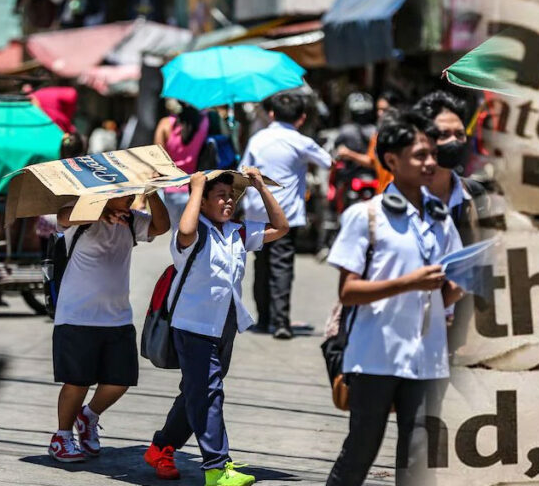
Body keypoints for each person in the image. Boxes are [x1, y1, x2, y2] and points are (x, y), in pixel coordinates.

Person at [325, 112, 465, 486]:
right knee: (360, 452)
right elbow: (348, 290)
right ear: (391, 161)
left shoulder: (441, 219)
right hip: (376, 354)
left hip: (428, 356)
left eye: (432, 154)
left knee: (419, 461)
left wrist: (466, 280)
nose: (430, 162)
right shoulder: (366, 216)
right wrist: (410, 283)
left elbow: (446, 292)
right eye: (420, 155)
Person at [145, 169, 289, 485]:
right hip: (192, 326)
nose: (227, 201)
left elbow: (281, 227)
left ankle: (161, 447)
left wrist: (261, 187)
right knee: (209, 394)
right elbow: (184, 229)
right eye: (219, 196)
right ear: (204, 201)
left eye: (230, 196)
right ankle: (216, 467)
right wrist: (195, 188)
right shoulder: (194, 234)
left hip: (223, 325)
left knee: (196, 392)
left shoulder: (237, 232)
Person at [48, 192, 170, 463]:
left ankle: (88, 416)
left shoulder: (131, 220)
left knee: (120, 380)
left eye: (133, 192)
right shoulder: (80, 215)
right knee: (77, 381)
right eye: (123, 192)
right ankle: (62, 436)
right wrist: (100, 211)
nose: (130, 197)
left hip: (117, 317)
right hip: (78, 315)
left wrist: (152, 195)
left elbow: (161, 227)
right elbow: (63, 217)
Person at [239, 92, 331, 339]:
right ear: (301, 118)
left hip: (256, 212)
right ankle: (280, 322)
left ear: (271, 114)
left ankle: (263, 319)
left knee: (262, 265)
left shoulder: (258, 139)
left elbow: (243, 170)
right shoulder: (301, 141)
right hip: (286, 216)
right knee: (281, 267)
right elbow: (327, 162)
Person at [413, 91, 490, 246]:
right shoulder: (400, 201)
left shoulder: (475, 195)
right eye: (444, 135)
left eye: (459, 134)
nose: (454, 141)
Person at [155, 100, 210, 228]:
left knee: (176, 233)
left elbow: (157, 160)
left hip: (171, 189)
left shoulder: (165, 124)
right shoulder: (204, 123)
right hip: (195, 187)